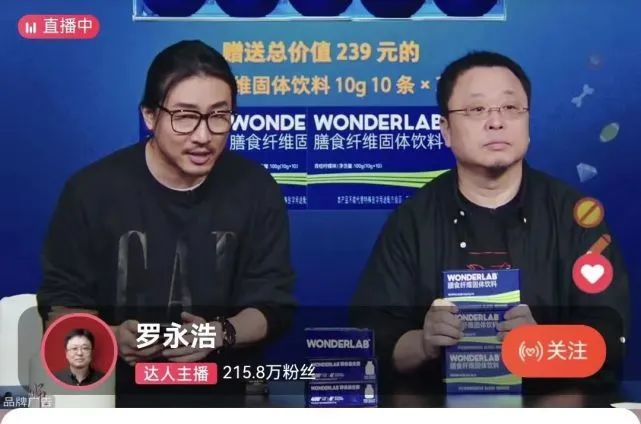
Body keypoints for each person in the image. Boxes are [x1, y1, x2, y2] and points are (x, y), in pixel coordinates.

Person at [351, 51, 630, 401]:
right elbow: (370, 338)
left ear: (528, 120)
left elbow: (610, 335)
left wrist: (542, 346)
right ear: (446, 130)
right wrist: (423, 343)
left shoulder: (577, 216)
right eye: (477, 109)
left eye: (511, 108)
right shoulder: (412, 220)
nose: (496, 122)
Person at [37, 40, 297, 406]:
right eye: (185, 116)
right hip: (112, 400)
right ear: (149, 116)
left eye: (219, 116)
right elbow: (61, 306)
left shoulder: (255, 188)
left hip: (223, 399)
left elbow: (273, 305)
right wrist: (110, 338)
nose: (203, 136)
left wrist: (219, 333)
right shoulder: (91, 192)